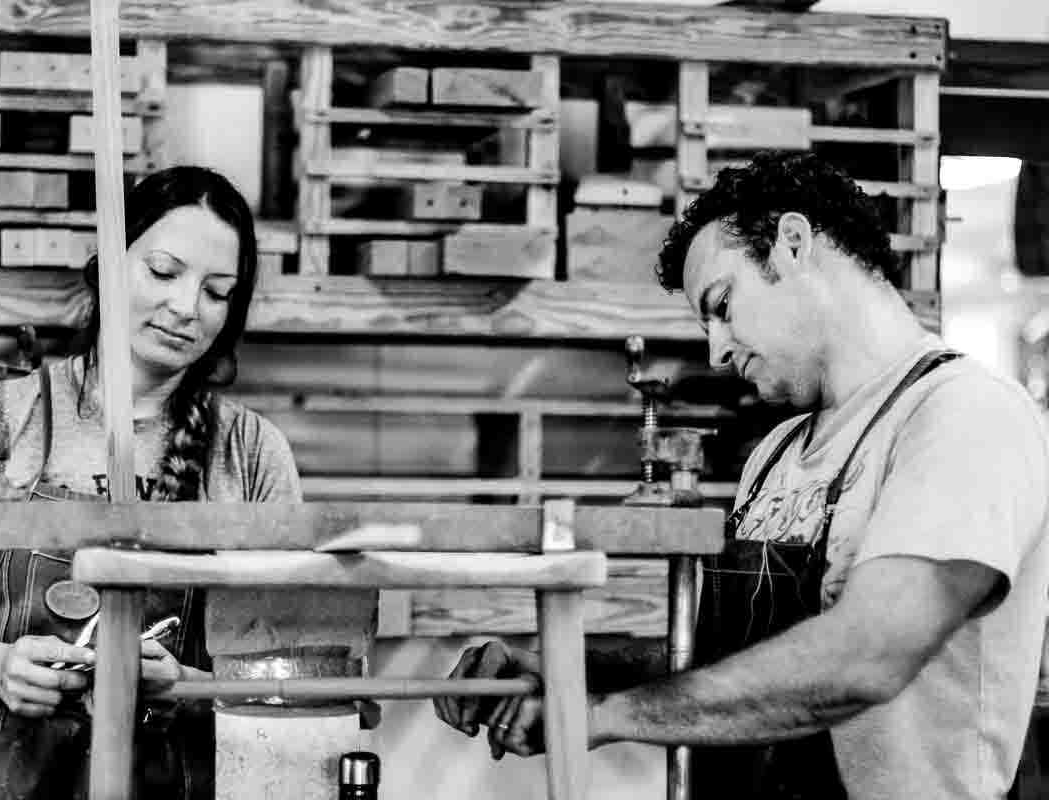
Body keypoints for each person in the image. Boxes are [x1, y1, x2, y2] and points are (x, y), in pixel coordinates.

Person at [434, 151, 1049, 800]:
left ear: (792, 243)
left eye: (723, 305)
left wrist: (598, 718)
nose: (717, 350)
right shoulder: (777, 452)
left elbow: (865, 656)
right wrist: (566, 671)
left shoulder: (964, 414)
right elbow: (743, 660)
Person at [0, 165, 302, 800]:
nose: (187, 307)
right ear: (109, 265)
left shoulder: (250, 453)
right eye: (163, 272)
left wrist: (185, 685)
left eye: (218, 291)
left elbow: (289, 678)